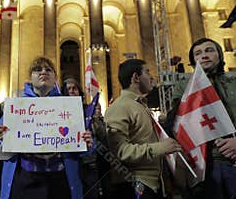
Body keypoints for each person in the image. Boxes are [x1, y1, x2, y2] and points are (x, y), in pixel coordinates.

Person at [0, 57, 93, 199]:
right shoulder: (17, 106)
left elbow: (83, 148)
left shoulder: (68, 107)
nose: (43, 72)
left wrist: (87, 143)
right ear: (30, 78)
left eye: (48, 69)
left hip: (59, 180)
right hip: (26, 179)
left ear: (55, 77)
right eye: (37, 69)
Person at [169, 38, 236, 199]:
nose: (204, 55)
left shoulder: (234, 82)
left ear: (219, 55)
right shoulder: (184, 87)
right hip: (205, 166)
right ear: (193, 60)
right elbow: (180, 125)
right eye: (198, 53)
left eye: (209, 50)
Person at [105, 59, 181, 199]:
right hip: (134, 187)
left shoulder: (140, 105)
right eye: (147, 72)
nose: (152, 77)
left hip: (152, 185)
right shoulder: (120, 107)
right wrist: (160, 148)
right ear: (136, 78)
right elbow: (120, 152)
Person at [61, 78, 109, 199]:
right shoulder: (57, 112)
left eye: (74, 88)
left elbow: (102, 135)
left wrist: (94, 127)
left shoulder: (89, 111)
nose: (71, 91)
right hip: (66, 165)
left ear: (79, 92)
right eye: (68, 89)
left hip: (88, 163)